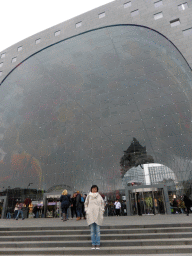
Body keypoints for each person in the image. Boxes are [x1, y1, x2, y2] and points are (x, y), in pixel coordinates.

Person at [84, 185, 104, 250]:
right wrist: (87, 210)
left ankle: (97, 244)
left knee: (97, 231)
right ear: (91, 189)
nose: (94, 190)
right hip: (91, 214)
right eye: (93, 188)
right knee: (92, 231)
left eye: (95, 189)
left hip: (98, 214)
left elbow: (102, 203)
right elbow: (86, 203)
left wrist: (102, 210)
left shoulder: (99, 196)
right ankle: (93, 244)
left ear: (97, 189)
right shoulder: (89, 196)